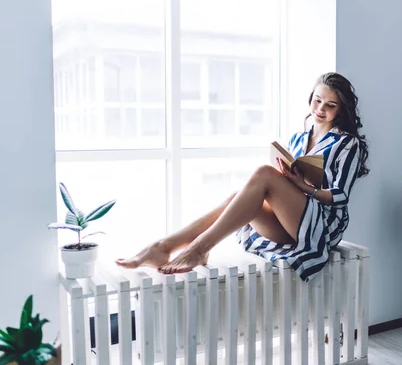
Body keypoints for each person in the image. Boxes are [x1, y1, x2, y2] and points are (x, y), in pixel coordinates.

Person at [116, 72, 369, 281]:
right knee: (238, 196)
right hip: (295, 219)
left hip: (323, 226)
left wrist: (304, 186)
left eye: (330, 105)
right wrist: (289, 179)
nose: (320, 109)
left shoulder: (347, 143)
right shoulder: (299, 138)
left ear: (341, 110)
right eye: (317, 101)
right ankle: (163, 247)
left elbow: (341, 196)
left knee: (263, 174)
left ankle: (199, 248)